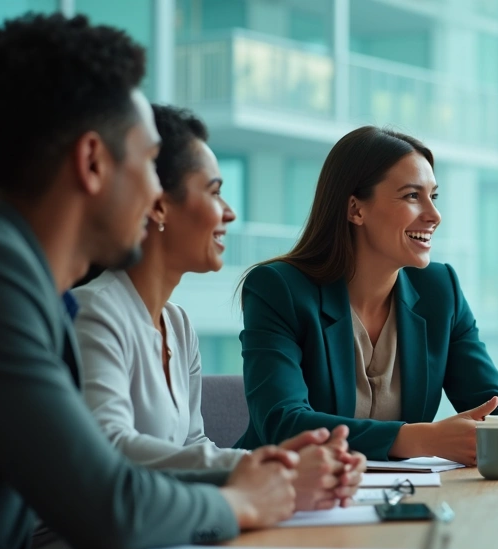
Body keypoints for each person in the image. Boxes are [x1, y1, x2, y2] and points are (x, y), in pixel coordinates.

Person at [0, 13, 302, 549]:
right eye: (148, 160)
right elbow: (107, 502)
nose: (156, 193)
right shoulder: (4, 285)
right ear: (92, 162)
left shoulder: (32, 289)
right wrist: (244, 499)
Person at [236, 126, 498, 464]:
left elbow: (490, 398)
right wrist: (421, 439)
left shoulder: (439, 289)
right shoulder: (278, 288)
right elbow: (283, 423)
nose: (434, 215)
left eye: (433, 196)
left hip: (394, 497)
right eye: (412, 196)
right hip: (282, 499)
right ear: (355, 209)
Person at [69, 105, 364, 507]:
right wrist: (273, 470)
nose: (229, 212)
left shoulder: (176, 322)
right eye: (213, 191)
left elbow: (193, 445)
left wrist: (282, 463)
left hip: (164, 538)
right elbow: (113, 447)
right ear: (158, 206)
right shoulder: (93, 313)